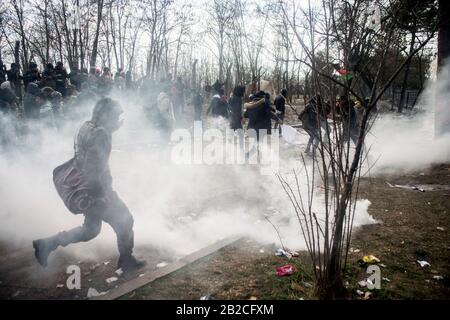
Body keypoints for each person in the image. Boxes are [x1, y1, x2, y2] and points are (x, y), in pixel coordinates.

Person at [33, 98, 146, 272]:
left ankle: (47, 244)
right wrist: (99, 195)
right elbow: (93, 168)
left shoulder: (87, 126)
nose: (118, 120)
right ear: (106, 115)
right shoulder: (102, 134)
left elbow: (89, 157)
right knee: (125, 221)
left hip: (89, 190)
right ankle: (127, 260)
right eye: (115, 116)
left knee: (90, 230)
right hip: (99, 191)